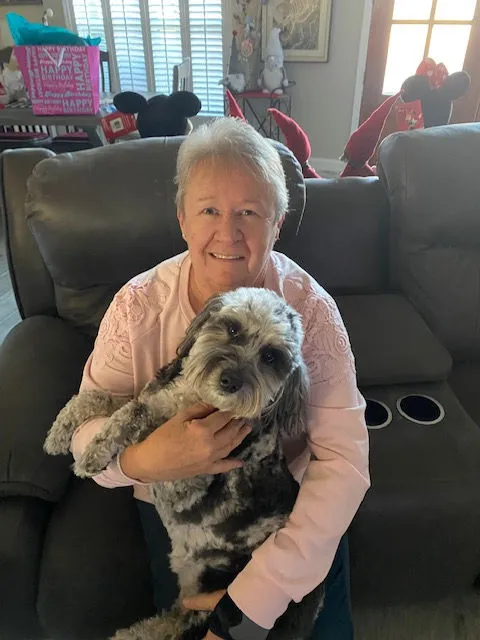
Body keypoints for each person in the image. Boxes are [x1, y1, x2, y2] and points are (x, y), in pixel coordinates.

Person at [71, 117, 370, 640]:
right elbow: (84, 435)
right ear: (183, 219)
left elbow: (344, 460)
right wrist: (146, 460)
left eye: (249, 213)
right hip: (183, 520)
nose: (228, 234)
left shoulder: (311, 310)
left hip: (287, 513)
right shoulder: (137, 307)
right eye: (209, 210)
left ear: (277, 224)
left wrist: (249, 608)